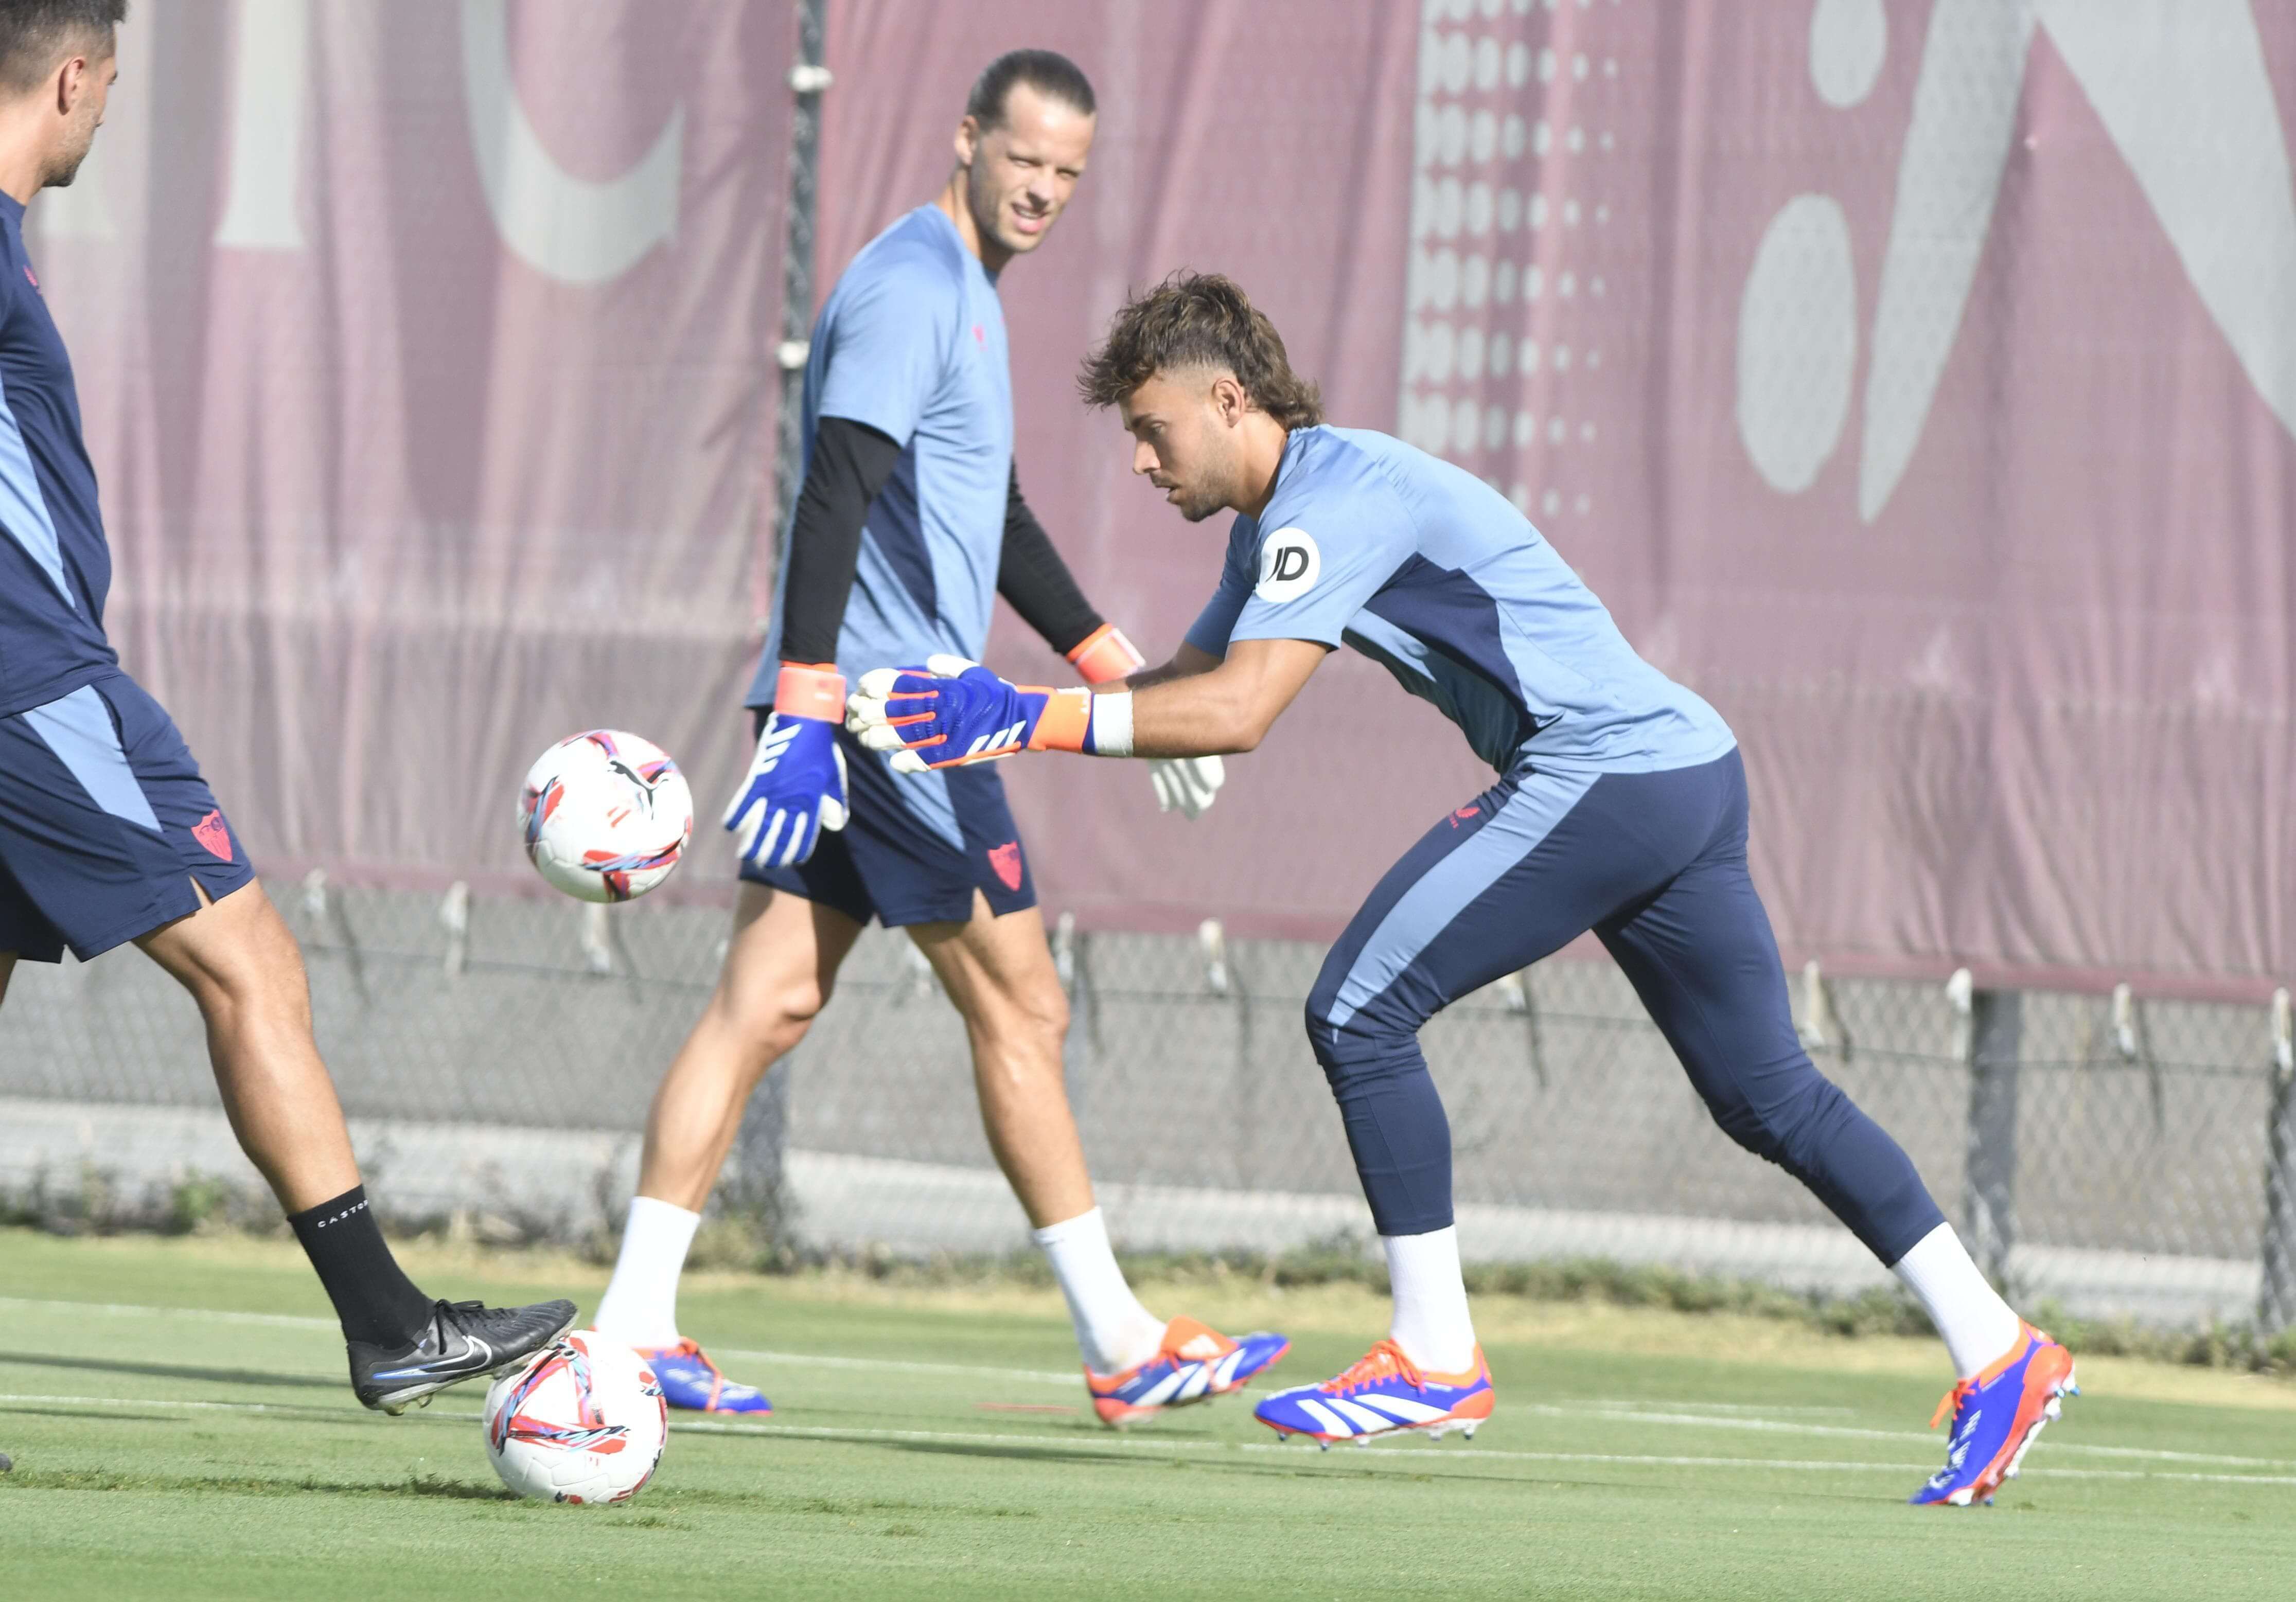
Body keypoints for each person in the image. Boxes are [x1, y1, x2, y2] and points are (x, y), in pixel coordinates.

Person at [846, 271, 2077, 1507]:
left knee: (1354, 1013)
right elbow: (1193, 680)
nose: (1139, 459)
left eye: (1150, 428)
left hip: (1603, 773)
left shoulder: (1324, 505)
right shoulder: (1286, 513)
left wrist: (1019, 721)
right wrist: (1024, 707)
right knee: (1770, 1099)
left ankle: (1434, 1356)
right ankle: (1999, 1350)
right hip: (1680, 767)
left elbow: (1237, 714)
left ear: (1227, 401)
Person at [588, 52, 1285, 1425]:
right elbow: (835, 489)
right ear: (965, 137)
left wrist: (1107, 664)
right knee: (1022, 1003)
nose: (1043, 189)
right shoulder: (914, 285)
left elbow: (989, 512)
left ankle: (629, 1327)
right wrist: (800, 709)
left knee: (764, 1003)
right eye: (1023, 157)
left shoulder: (966, 297)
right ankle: (1117, 1341)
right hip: (889, 719)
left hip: (858, 708)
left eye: (1067, 173)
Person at [0, 1, 574, 1412]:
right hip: (33, 687)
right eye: (113, 84)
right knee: (249, 958)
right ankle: (389, 1323)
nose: (109, 110)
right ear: (73, 74)